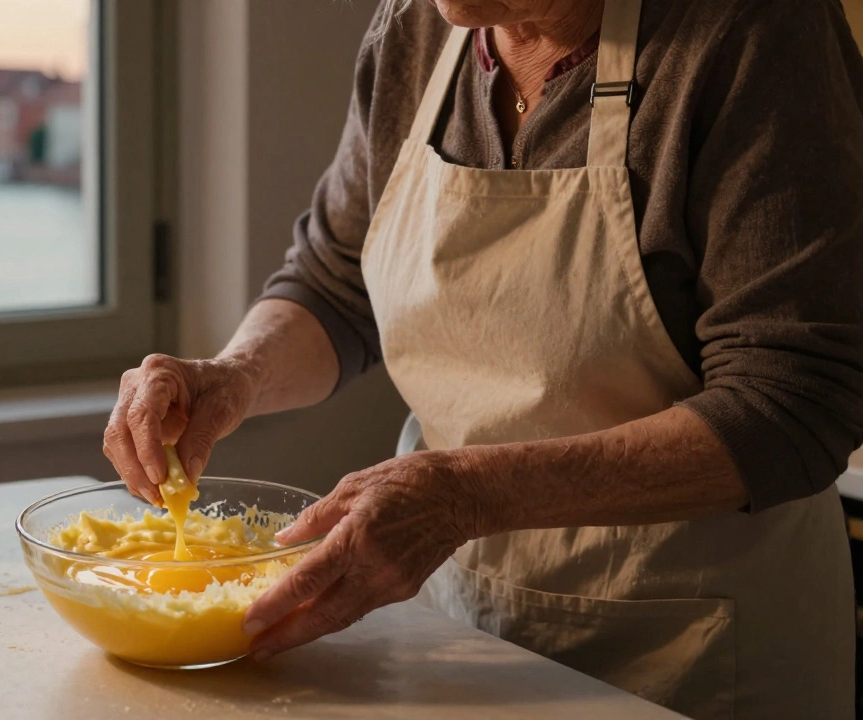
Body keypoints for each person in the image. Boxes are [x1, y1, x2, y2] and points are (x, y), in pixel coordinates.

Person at [102, 0, 863, 717]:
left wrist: (465, 494)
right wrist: (235, 375)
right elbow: (337, 283)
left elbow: (795, 399)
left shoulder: (755, 29)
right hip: (461, 626)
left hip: (698, 646)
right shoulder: (418, 29)